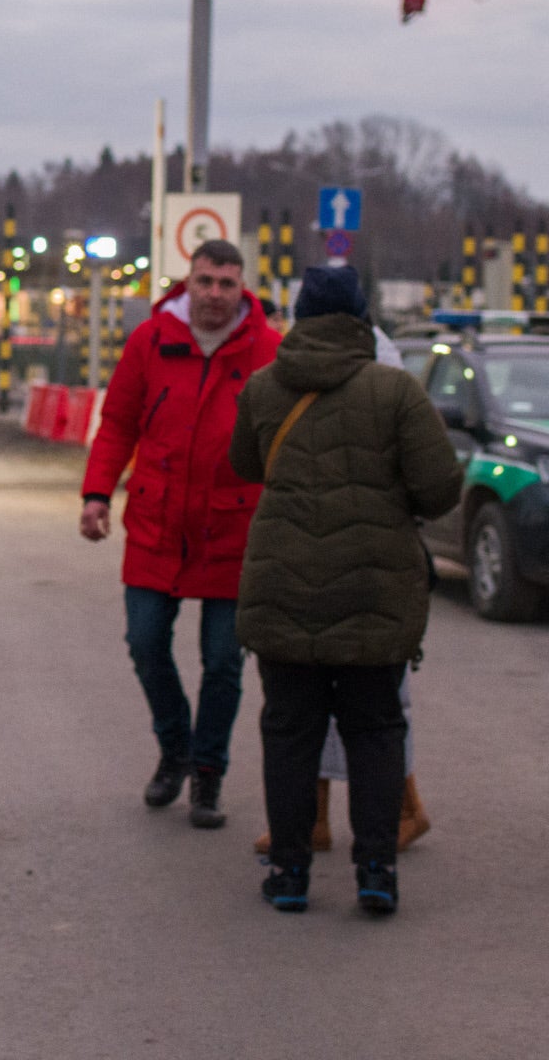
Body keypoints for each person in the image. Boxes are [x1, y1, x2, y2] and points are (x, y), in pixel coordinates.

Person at [229, 266, 461, 915]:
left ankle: (290, 873)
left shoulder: (264, 388)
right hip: (375, 585)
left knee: (289, 729)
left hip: (282, 585)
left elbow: (243, 464)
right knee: (376, 728)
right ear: (362, 316)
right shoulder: (396, 391)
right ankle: (377, 870)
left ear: (300, 316)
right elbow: (442, 487)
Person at [80, 238, 281, 828]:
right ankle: (176, 750)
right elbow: (117, 421)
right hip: (157, 522)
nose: (215, 293)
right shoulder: (151, 340)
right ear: (187, 283)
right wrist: (97, 492)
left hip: (234, 528)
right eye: (205, 281)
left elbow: (283, 441)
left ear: (242, 287)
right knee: (145, 644)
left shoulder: (269, 350)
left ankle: (209, 772)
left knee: (223, 660)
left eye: (226, 283)